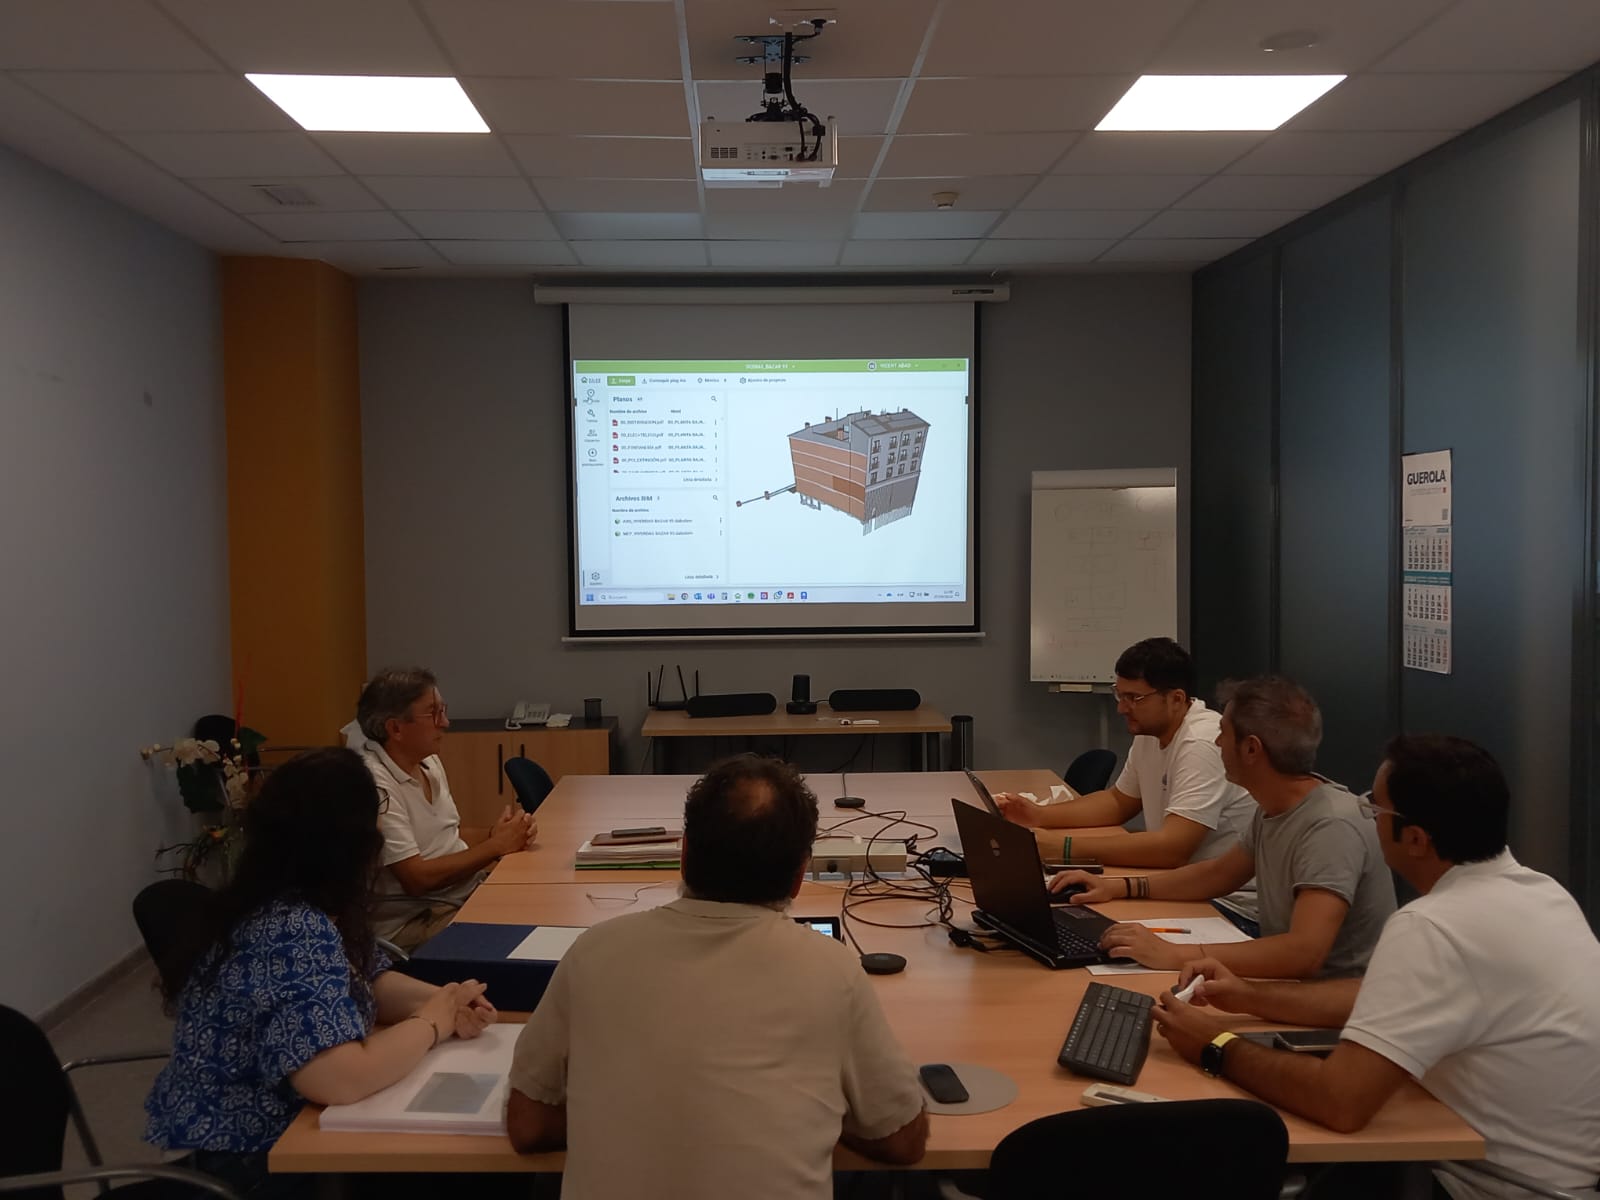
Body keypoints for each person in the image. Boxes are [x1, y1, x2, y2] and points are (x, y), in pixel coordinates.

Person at [1152, 734, 1600, 1200]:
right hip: (1550, 1176)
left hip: (1480, 1187)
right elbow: (1377, 999)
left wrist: (1215, 1044)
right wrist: (1247, 995)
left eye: (1376, 809)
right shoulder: (1541, 893)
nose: (1369, 817)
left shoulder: (1433, 925)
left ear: (1416, 839)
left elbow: (1340, 1101)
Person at [505, 754, 928, 1198]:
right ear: (799, 875)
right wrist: (815, 1113)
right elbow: (902, 1140)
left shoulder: (593, 952)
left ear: (685, 853)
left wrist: (613, 1112)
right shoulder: (832, 970)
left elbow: (528, 1126)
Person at [144, 748, 496, 1199]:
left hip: (267, 1138)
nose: (381, 836)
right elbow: (338, 1079)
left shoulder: (288, 897)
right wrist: (431, 1022)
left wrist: (445, 999)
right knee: (467, 1170)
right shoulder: (290, 927)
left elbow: (367, 977)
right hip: (245, 1161)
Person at [1050, 676, 1395, 978]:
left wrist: (1175, 955)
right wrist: (1118, 887)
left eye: (1223, 734)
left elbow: (1303, 953)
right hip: (1296, 986)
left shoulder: (1330, 826)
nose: (1217, 744)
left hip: (1334, 1007)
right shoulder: (1275, 807)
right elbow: (1216, 875)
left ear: (1251, 749)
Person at [996, 637, 1255, 874]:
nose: (1121, 708)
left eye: (1134, 698)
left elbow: (1173, 849)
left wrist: (1063, 847)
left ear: (1176, 699)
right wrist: (1039, 815)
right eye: (1120, 695)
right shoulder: (1150, 732)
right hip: (1182, 882)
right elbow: (1118, 802)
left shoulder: (1201, 742)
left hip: (1223, 901)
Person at [353, 667, 535, 950]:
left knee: (542, 902)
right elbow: (417, 879)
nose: (446, 723)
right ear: (395, 728)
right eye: (433, 714)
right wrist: (496, 847)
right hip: (415, 920)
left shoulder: (428, 761)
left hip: (456, 896)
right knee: (529, 931)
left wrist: (496, 834)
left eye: (443, 711)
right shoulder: (373, 784)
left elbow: (447, 836)